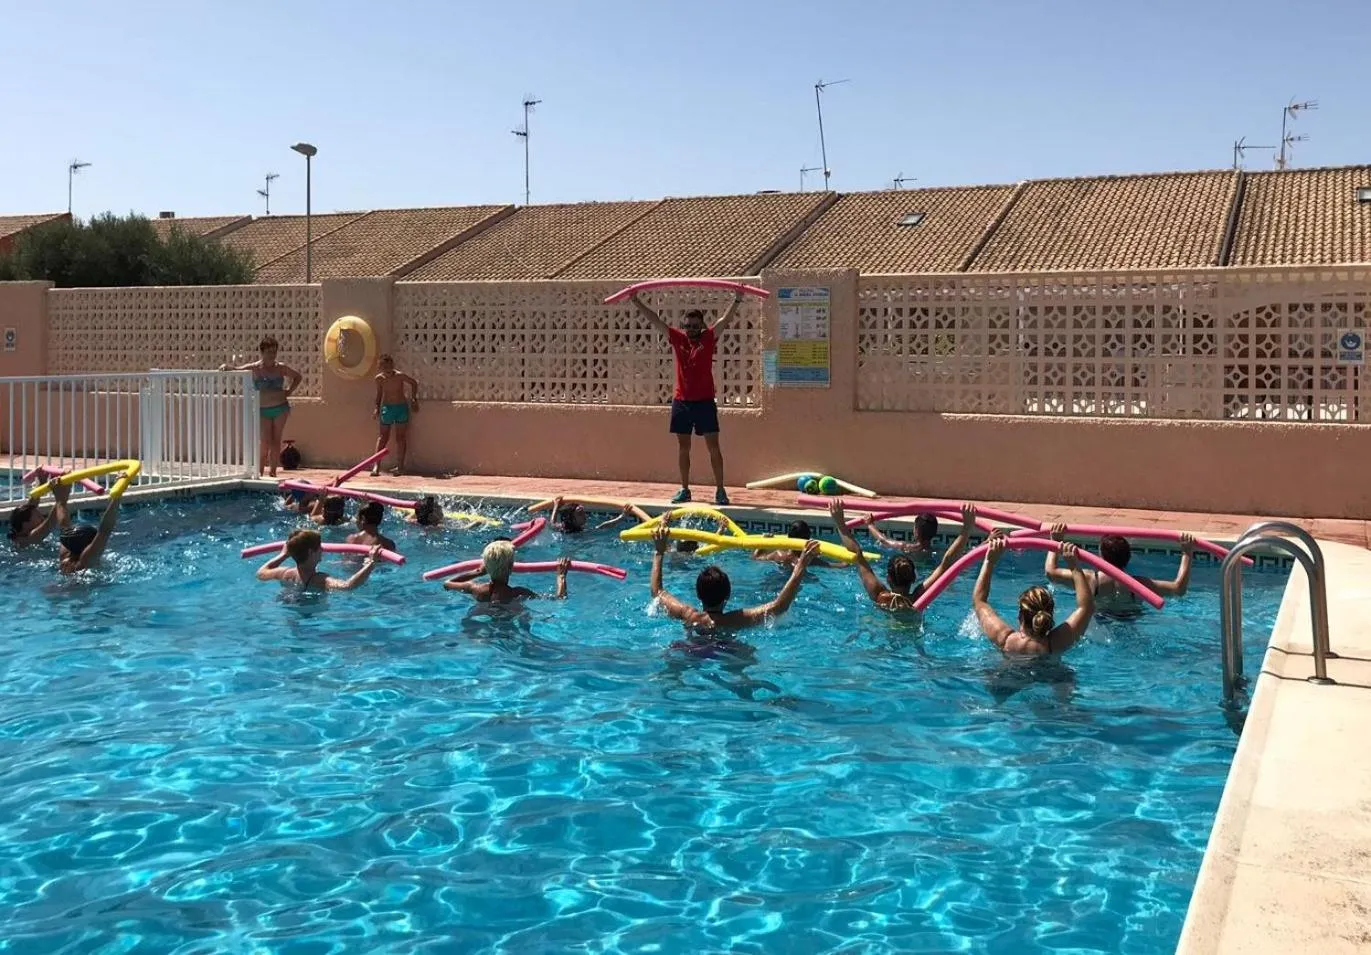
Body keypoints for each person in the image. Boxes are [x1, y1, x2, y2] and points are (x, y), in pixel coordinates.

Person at [629, 291, 745, 506]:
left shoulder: (709, 338)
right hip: (682, 401)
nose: (690, 329)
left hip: (704, 401)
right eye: (688, 325)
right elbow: (655, 319)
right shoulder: (678, 339)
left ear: (701, 326)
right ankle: (684, 489)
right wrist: (636, 301)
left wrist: (737, 300)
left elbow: (724, 320)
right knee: (683, 447)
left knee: (714, 447)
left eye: (694, 325)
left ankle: (720, 490)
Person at [648, 522, 818, 635]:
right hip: (725, 652)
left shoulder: (688, 615)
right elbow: (779, 606)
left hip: (691, 651)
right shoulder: (736, 619)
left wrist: (659, 552)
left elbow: (657, 592)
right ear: (728, 595)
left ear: (698, 594)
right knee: (747, 653)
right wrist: (801, 567)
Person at [830, 499, 975, 613]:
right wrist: (967, 527)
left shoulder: (879, 596)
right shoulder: (918, 598)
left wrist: (839, 522)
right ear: (914, 578)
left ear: (888, 578)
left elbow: (857, 555)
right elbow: (947, 563)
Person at [975, 536, 1094, 655]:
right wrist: (1074, 567)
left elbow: (979, 601)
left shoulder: (1005, 639)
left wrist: (989, 561)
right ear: (1050, 616)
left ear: (1020, 617)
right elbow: (1086, 607)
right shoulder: (1056, 643)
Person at [1043, 525, 1194, 616]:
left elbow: (1051, 572)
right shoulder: (1139, 585)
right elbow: (1178, 588)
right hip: (1130, 622)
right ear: (1128, 557)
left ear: (1101, 556)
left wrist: (1055, 541)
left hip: (1101, 623)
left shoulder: (1089, 579)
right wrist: (1187, 552)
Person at [219, 337, 303, 478]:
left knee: (276, 440)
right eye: (269, 352)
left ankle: (273, 472)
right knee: (265, 441)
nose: (272, 355)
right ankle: (259, 472)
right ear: (262, 352)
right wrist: (226, 367)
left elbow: (298, 377)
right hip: (262, 410)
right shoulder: (255, 368)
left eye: (274, 352)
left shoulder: (280, 368)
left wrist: (289, 391)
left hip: (280, 408)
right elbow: (238, 370)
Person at [444, 540, 571, 604]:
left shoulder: (474, 588)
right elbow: (559, 599)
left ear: (486, 565)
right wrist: (561, 577)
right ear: (511, 567)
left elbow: (447, 583)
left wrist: (478, 572)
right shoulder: (518, 593)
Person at [256, 529, 381, 591]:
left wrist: (283, 555)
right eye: (319, 546)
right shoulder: (319, 579)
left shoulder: (284, 573)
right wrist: (370, 563)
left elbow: (261, 573)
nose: (322, 549)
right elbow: (347, 586)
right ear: (311, 552)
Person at [372, 355, 421, 476]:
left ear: (393, 366)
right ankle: (376, 465)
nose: (388, 370)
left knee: (400, 437)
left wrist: (414, 399)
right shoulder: (379, 379)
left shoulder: (400, 376)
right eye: (385, 367)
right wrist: (377, 408)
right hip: (387, 408)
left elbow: (413, 383)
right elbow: (379, 394)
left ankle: (400, 466)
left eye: (390, 367)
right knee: (383, 437)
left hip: (401, 408)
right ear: (380, 368)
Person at [58, 492, 122, 575]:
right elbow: (104, 531)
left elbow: (64, 524)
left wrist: (60, 500)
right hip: (81, 586)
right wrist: (117, 497)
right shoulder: (85, 562)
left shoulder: (66, 551)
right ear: (88, 546)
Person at [8, 481, 72, 550]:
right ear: (25, 524)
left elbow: (31, 506)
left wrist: (42, 481)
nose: (42, 518)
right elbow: (50, 521)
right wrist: (62, 495)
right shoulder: (30, 538)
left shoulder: (19, 532)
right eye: (39, 517)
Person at [752, 519, 830, 569]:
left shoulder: (778, 554)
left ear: (788, 536)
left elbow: (756, 558)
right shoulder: (809, 559)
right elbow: (840, 565)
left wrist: (763, 544)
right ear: (808, 538)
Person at [548, 497, 650, 534]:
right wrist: (622, 517)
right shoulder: (564, 528)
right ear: (571, 519)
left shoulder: (566, 527)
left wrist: (556, 505)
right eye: (580, 513)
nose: (585, 515)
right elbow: (602, 526)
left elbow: (552, 522)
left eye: (583, 512)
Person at [860, 512, 940, 559]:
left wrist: (870, 524)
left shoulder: (906, 547)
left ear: (916, 532)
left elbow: (884, 540)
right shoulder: (937, 552)